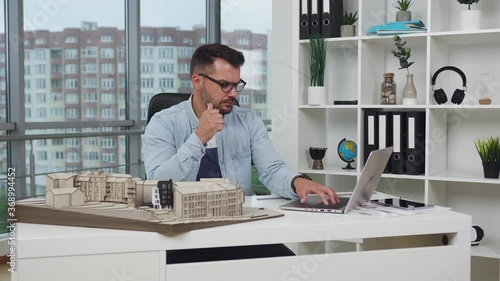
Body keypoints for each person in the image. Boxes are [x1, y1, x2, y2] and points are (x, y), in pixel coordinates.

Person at [143, 43, 339, 205]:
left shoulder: (248, 121)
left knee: (285, 253)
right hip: (183, 230)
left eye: (236, 85)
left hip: (238, 225)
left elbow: (271, 169)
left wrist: (297, 182)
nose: (234, 94)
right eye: (224, 85)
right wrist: (199, 138)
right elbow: (158, 185)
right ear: (197, 81)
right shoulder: (163, 123)